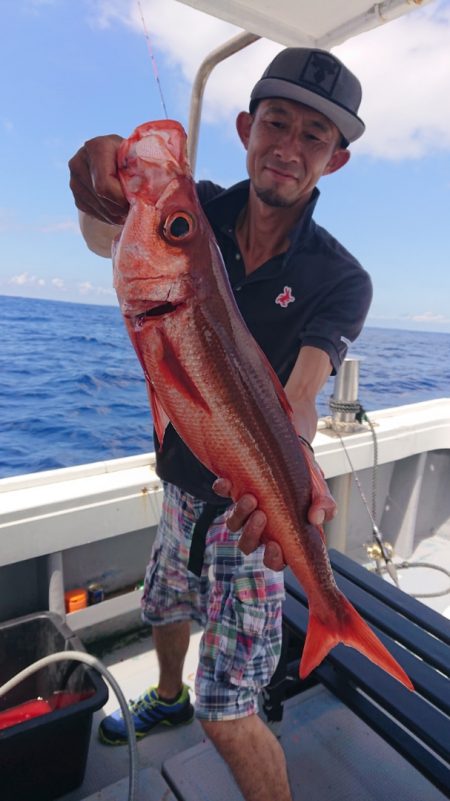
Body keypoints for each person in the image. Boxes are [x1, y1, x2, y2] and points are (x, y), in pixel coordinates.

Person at [69, 47, 372, 801]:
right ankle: (165, 688)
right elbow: (105, 237)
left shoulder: (342, 277)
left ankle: (257, 691)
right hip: (179, 487)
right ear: (246, 127)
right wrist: (98, 178)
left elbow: (300, 393)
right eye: (277, 122)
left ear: (333, 162)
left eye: (315, 136)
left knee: (228, 711)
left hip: (254, 514)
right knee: (163, 604)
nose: (290, 147)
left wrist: (293, 468)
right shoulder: (192, 208)